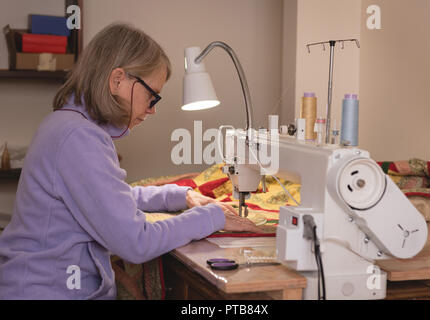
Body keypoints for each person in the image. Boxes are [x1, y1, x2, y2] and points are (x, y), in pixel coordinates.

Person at [0, 23, 261, 299]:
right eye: (152, 96)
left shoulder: (67, 125)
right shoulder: (79, 138)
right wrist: (211, 217)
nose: (153, 109)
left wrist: (180, 196)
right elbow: (136, 242)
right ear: (117, 81)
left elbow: (110, 199)